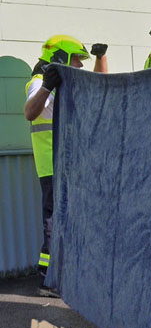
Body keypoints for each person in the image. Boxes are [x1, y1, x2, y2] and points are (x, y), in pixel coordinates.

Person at [24, 35, 109, 297]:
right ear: (60, 59)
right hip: (52, 165)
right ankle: (48, 280)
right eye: (76, 60)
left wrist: (100, 58)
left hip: (70, 164)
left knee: (73, 222)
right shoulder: (39, 82)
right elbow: (30, 111)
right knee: (54, 223)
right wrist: (47, 86)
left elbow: (97, 87)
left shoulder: (65, 85)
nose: (80, 67)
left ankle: (67, 276)